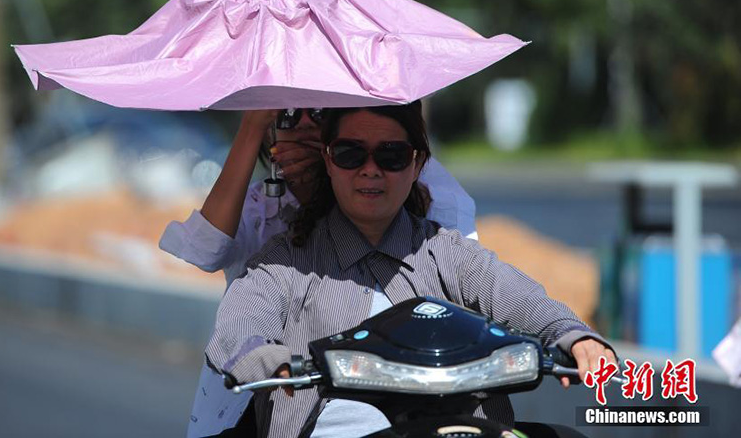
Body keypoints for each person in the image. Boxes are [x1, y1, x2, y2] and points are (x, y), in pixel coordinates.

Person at [206, 102, 616, 438]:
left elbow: (517, 296)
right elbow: (240, 325)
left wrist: (574, 337)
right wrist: (264, 358)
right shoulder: (285, 262)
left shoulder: (448, 252)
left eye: (391, 155)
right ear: (329, 162)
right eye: (351, 154)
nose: (371, 169)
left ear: (417, 163)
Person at [159, 108, 478, 437]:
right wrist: (252, 126)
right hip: (263, 396)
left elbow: (469, 273)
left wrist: (333, 177)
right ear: (271, 135)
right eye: (288, 116)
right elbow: (206, 256)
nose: (306, 126)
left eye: (319, 113)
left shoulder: (416, 193)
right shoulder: (268, 227)